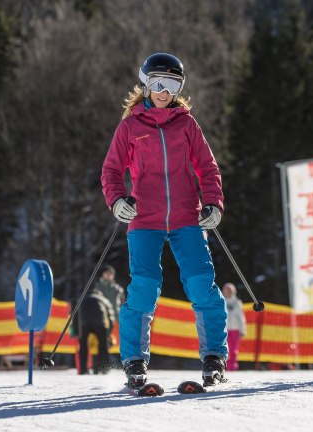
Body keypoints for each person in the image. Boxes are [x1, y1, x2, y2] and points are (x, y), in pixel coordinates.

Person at [101, 52, 228, 388]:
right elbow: (112, 170)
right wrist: (116, 201)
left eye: (172, 83)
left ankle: (214, 357)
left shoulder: (187, 124)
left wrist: (213, 203)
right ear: (145, 84)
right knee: (144, 287)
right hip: (145, 218)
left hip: (187, 216)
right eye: (156, 82)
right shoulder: (130, 126)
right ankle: (134, 361)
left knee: (202, 283)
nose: (163, 90)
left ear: (179, 88)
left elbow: (207, 167)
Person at [74, 286, 116, 374]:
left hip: (84, 322)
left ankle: (82, 369)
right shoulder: (104, 299)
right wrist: (108, 333)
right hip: (100, 322)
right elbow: (111, 316)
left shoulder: (82, 299)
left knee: (83, 346)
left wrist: (76, 332)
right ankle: (104, 369)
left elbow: (75, 315)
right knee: (103, 346)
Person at [222, 283, 246, 371]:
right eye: (227, 289)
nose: (228, 291)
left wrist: (243, 330)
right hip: (224, 329)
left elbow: (241, 317)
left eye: (230, 289)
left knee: (234, 349)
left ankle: (233, 366)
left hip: (235, 329)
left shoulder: (237, 303)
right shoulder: (221, 301)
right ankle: (224, 367)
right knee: (224, 349)